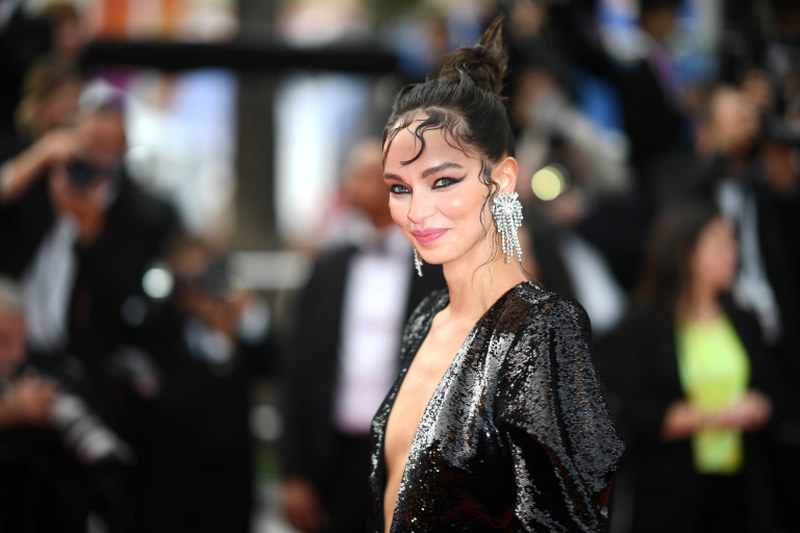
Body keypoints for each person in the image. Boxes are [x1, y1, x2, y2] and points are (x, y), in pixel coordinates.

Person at [369, 16, 624, 532]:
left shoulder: (544, 331)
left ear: (502, 179)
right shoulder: (424, 320)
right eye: (400, 187)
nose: (417, 211)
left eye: (443, 180)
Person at [279, 138, 445, 533]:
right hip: (332, 458)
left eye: (358, 173)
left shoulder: (437, 270)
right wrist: (294, 472)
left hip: (411, 459)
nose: (346, 181)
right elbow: (297, 368)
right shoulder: (326, 269)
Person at [608, 201, 777, 532]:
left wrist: (760, 405)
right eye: (719, 245)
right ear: (685, 253)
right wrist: (717, 416)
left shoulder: (744, 319)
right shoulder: (643, 325)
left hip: (742, 486)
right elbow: (634, 411)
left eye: (733, 243)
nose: (733, 254)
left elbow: (771, 388)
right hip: (671, 491)